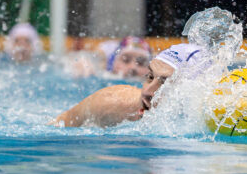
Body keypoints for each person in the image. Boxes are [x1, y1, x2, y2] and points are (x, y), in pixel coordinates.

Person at [52, 43, 204, 127]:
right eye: (150, 77)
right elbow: (56, 126)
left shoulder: (217, 118)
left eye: (165, 82)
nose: (148, 92)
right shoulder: (112, 102)